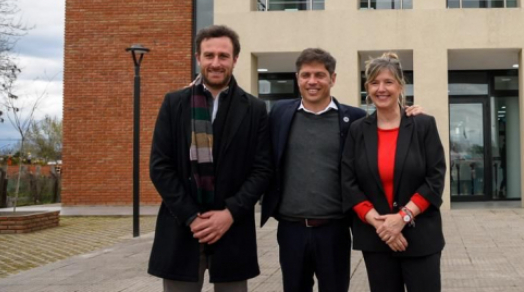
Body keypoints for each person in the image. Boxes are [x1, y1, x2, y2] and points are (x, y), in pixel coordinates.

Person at [260, 48, 421, 292]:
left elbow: (389, 125)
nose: (312, 81)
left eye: (319, 75)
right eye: (305, 75)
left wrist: (411, 113)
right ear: (297, 78)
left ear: (332, 79)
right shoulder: (280, 113)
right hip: (291, 229)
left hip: (334, 230)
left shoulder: (354, 119)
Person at [148, 25, 272, 291]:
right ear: (198, 58)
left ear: (235, 60)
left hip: (233, 230)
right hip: (182, 229)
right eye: (209, 55)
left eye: (223, 56)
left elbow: (262, 170)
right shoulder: (174, 103)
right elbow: (160, 167)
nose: (216, 63)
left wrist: (229, 214)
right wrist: (192, 217)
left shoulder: (255, 109)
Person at [341, 52, 446, 292]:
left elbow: (435, 178)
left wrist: (402, 218)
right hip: (377, 239)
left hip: (421, 238)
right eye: (375, 82)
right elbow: (348, 182)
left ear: (400, 86)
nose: (381, 89)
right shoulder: (358, 130)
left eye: (388, 82)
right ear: (367, 87)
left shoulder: (423, 125)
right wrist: (382, 226)